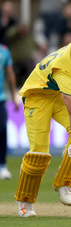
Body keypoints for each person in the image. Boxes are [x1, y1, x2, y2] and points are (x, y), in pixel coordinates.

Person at [14, 32, 71, 217]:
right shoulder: (65, 69)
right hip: (37, 96)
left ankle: (64, 182)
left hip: (57, 92)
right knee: (39, 153)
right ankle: (25, 200)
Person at [0, 44, 20, 180]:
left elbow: (10, 73)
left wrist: (14, 97)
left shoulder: (4, 50)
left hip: (0, 98)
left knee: (2, 130)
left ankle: (2, 166)